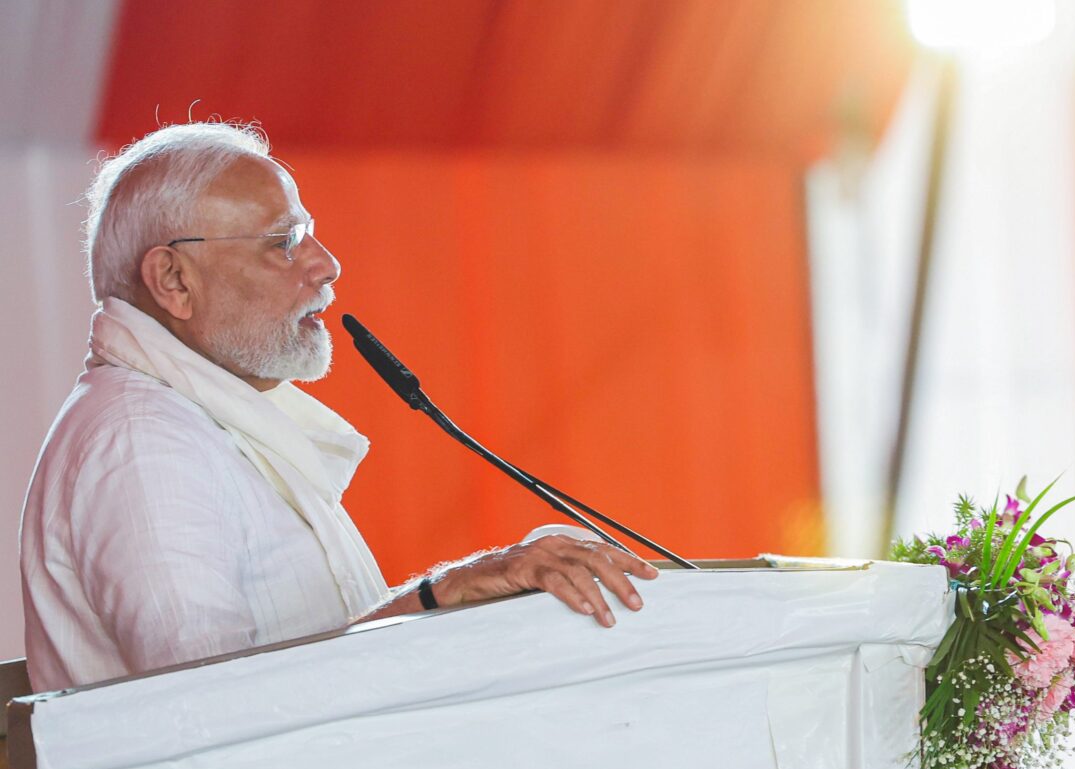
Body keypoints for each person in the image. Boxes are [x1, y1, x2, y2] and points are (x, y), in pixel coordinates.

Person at [18, 122, 657, 693]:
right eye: (284, 241)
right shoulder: (143, 442)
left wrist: (491, 593)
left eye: (311, 234)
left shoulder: (199, 421)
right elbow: (210, 713)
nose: (327, 265)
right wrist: (443, 595)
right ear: (174, 281)